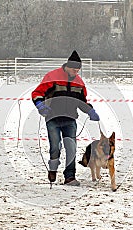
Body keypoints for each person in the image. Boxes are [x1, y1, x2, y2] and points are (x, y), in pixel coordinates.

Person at [31, 50, 100, 186]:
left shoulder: (79, 83)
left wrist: (90, 110)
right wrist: (40, 104)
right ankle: (53, 169)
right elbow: (37, 93)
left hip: (70, 119)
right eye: (74, 70)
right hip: (53, 118)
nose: (76, 73)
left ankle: (70, 177)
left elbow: (82, 101)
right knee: (55, 146)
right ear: (67, 67)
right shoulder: (52, 76)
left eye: (78, 70)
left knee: (71, 148)